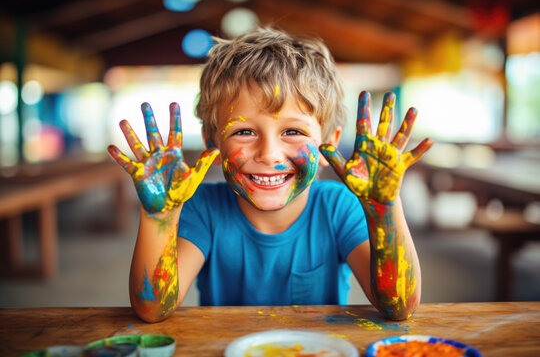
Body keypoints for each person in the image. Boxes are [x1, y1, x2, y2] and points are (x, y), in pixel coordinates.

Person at [107, 27, 433, 323]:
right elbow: (152, 309)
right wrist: (160, 216)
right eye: (245, 131)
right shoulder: (202, 209)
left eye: (292, 131)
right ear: (212, 142)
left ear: (328, 143)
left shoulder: (339, 209)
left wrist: (384, 209)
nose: (268, 154)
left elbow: (399, 307)